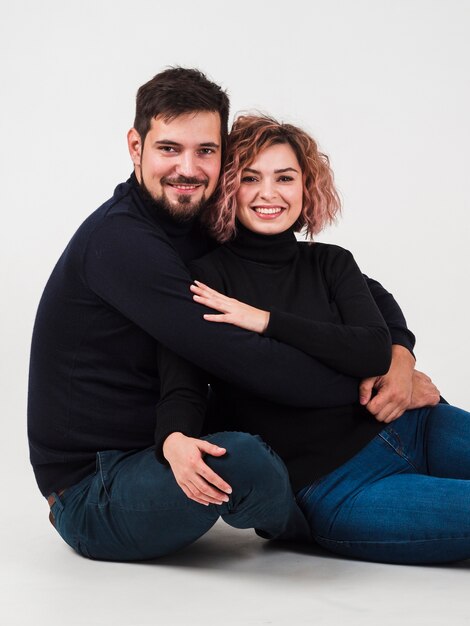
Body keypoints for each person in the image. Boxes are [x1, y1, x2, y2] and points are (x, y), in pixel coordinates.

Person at [28, 68, 437, 562]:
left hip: (176, 439)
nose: (188, 168)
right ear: (136, 147)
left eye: (205, 150)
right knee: (243, 459)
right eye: (169, 148)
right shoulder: (121, 243)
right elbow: (240, 357)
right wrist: (369, 384)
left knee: (247, 448)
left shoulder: (195, 216)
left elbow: (362, 287)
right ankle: (300, 525)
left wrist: (397, 353)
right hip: (97, 485)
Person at [156, 114, 469, 565]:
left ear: (306, 188)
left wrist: (264, 320)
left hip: (415, 426)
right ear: (228, 187)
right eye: (251, 178)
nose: (270, 193)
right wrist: (173, 440)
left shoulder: (331, 263)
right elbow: (181, 386)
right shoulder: (207, 280)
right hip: (337, 485)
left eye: (285, 177)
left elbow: (370, 348)